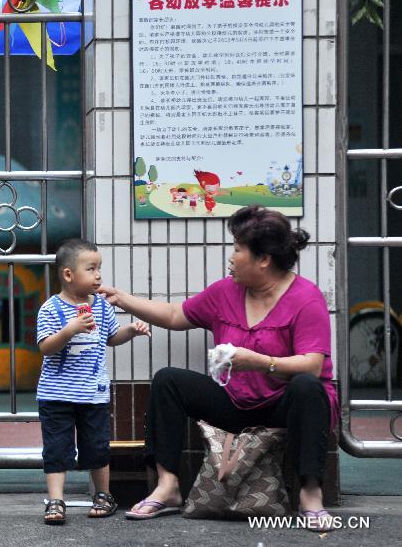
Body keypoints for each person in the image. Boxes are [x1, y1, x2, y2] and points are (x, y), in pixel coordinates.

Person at [97, 205, 338, 531]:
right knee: (168, 380)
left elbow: (311, 366)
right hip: (237, 402)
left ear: (263, 259)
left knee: (308, 387)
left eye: (238, 250)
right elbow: (173, 315)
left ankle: (311, 492)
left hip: (284, 404)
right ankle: (168, 485)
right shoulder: (226, 291)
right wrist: (124, 299)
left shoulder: (306, 298)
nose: (231, 258)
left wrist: (259, 363)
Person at [37, 238, 151, 525]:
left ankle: (103, 494)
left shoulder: (101, 306)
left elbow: (111, 338)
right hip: (56, 394)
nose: (98, 275)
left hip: (93, 393)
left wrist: (131, 330)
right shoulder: (51, 309)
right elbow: (45, 346)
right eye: (91, 269)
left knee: (97, 447)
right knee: (57, 449)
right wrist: (69, 330)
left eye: (99, 268)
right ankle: (55, 500)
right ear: (68, 274)